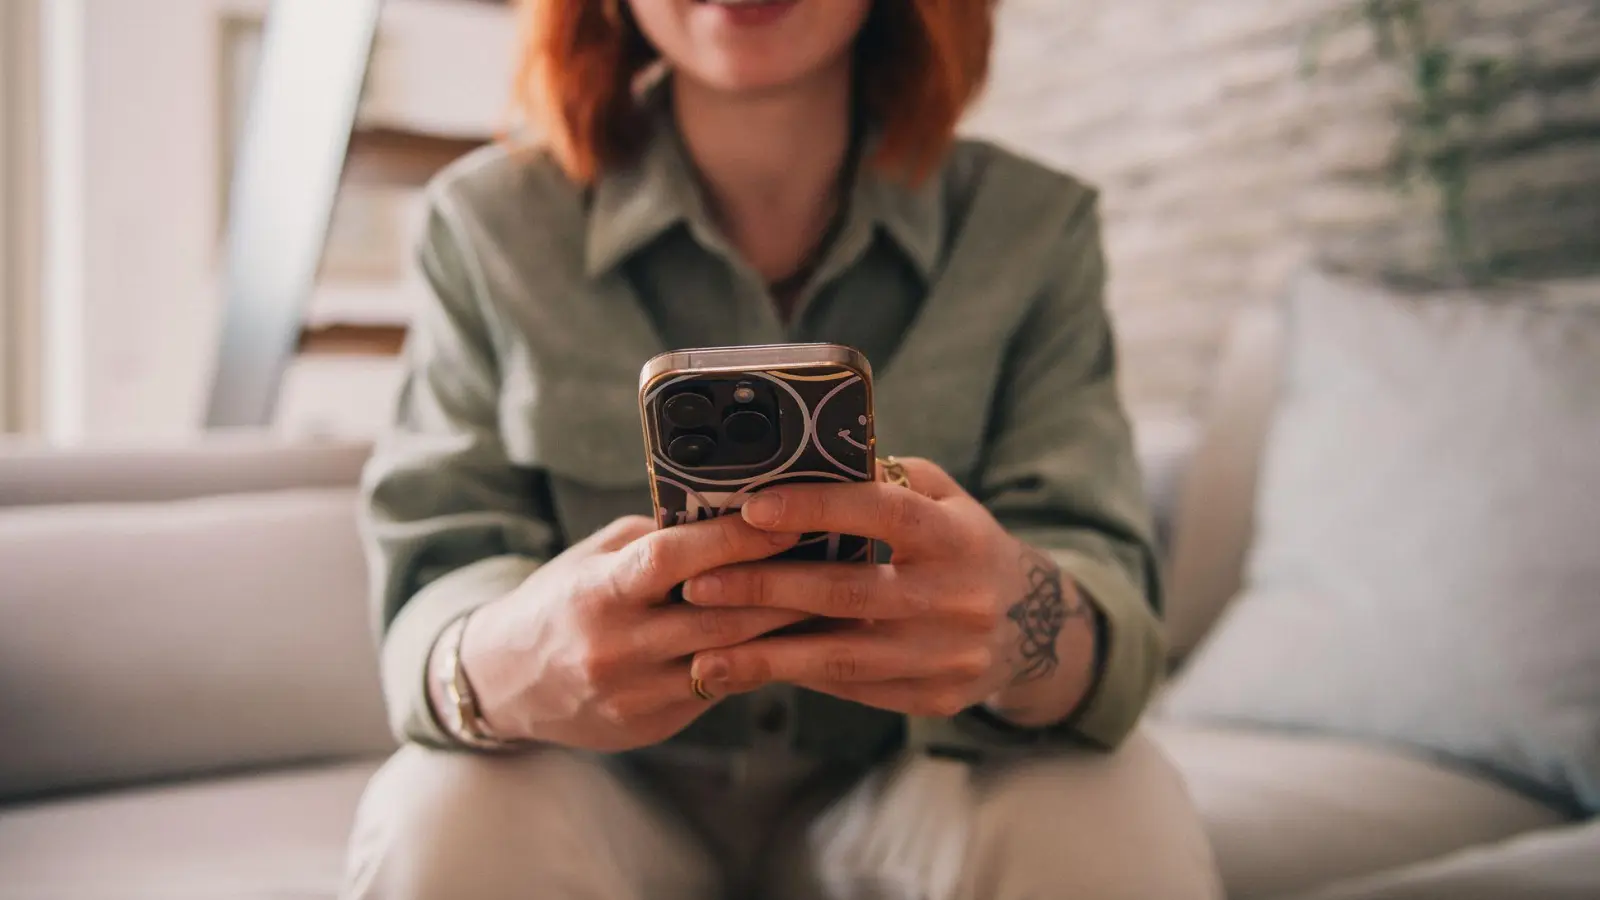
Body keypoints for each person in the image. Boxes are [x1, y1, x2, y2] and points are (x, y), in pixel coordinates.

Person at [342, 1, 1221, 898]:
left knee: (1113, 804)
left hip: (910, 782)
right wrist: (511, 659)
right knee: (439, 815)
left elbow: (1103, 602)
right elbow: (439, 569)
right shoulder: (491, 223)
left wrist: (1018, 629)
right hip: (602, 788)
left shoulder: (1031, 228)